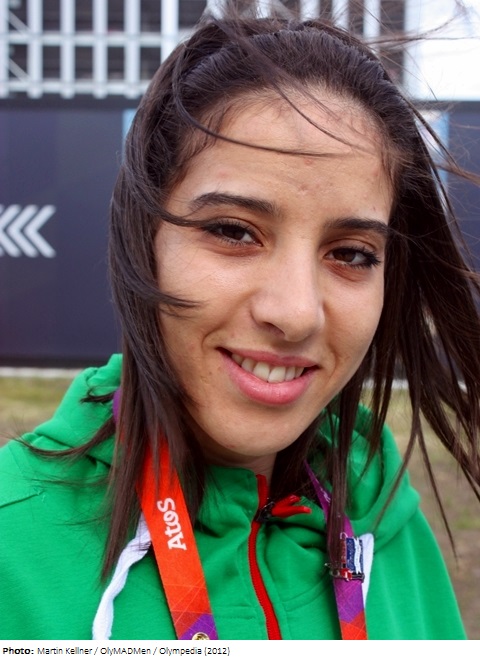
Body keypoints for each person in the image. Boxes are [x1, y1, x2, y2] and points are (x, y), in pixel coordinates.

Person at [1, 12, 480, 641]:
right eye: (233, 231)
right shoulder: (14, 543)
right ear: (143, 237)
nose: (295, 312)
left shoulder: (386, 519)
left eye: (351, 253)